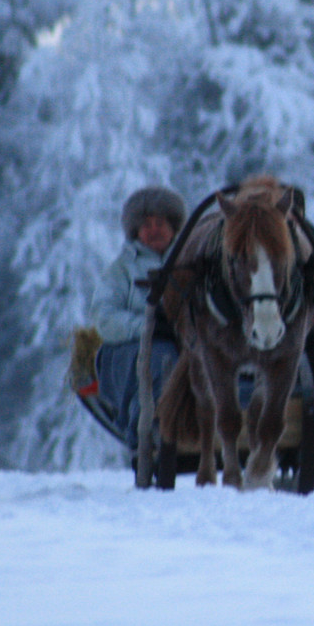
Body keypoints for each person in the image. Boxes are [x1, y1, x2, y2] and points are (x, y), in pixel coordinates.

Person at [90, 185, 187, 452]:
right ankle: (146, 425)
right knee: (161, 359)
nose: (154, 230)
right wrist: (147, 327)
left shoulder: (191, 261)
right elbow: (104, 317)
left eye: (160, 223)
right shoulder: (121, 270)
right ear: (135, 232)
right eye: (146, 225)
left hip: (189, 342)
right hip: (135, 348)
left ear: (174, 227)